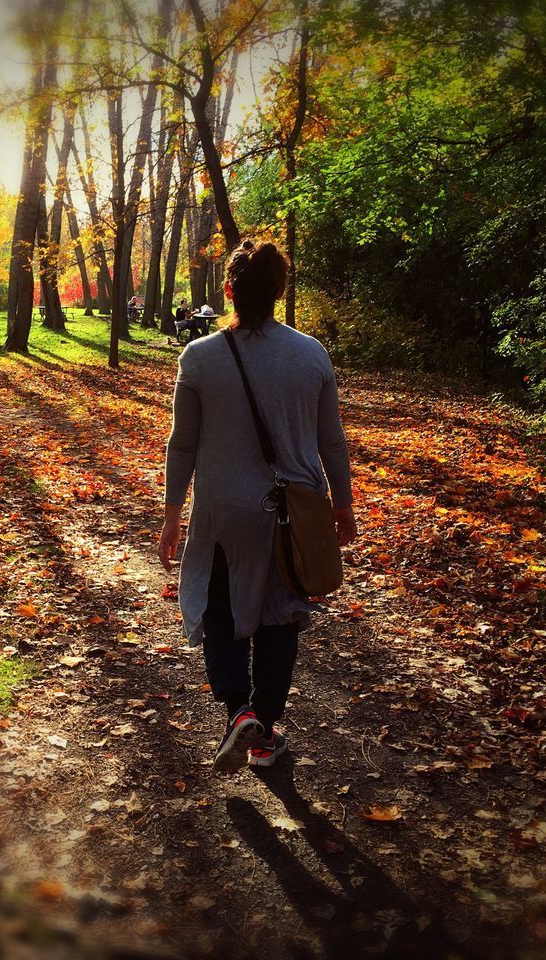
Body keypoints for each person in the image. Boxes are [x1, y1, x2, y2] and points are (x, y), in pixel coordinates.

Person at [158, 240, 357, 773]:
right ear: (279, 291)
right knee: (280, 617)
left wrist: (172, 514)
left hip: (223, 510)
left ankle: (238, 708)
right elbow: (331, 440)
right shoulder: (311, 353)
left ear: (228, 290)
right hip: (292, 510)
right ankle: (265, 734)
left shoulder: (199, 357)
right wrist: (343, 506)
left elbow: (183, 443)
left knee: (217, 608)